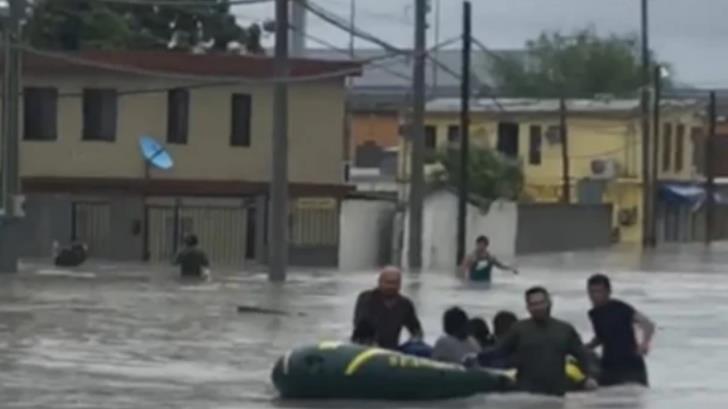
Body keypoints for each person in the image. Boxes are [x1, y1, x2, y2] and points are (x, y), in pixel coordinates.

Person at [473, 287, 597, 396]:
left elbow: (582, 355)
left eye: (541, 303)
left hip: (557, 393)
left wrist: (588, 378)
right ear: (528, 307)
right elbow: (498, 351)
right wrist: (475, 359)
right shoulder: (519, 329)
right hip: (526, 393)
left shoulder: (565, 330)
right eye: (533, 304)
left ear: (549, 303)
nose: (538, 308)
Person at [586, 274, 655, 387]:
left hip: (631, 364)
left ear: (608, 292)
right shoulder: (594, 314)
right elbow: (602, 336)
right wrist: (586, 347)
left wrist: (644, 344)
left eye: (599, 291)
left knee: (634, 399)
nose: (594, 296)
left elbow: (647, 324)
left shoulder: (620, 308)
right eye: (591, 292)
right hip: (609, 365)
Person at [352, 266, 423, 350]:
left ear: (400, 284)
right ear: (379, 282)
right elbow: (360, 323)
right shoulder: (366, 298)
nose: (391, 286)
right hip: (363, 347)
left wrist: (415, 341)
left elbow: (416, 330)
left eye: (395, 283)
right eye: (388, 283)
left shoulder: (405, 304)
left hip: (391, 350)